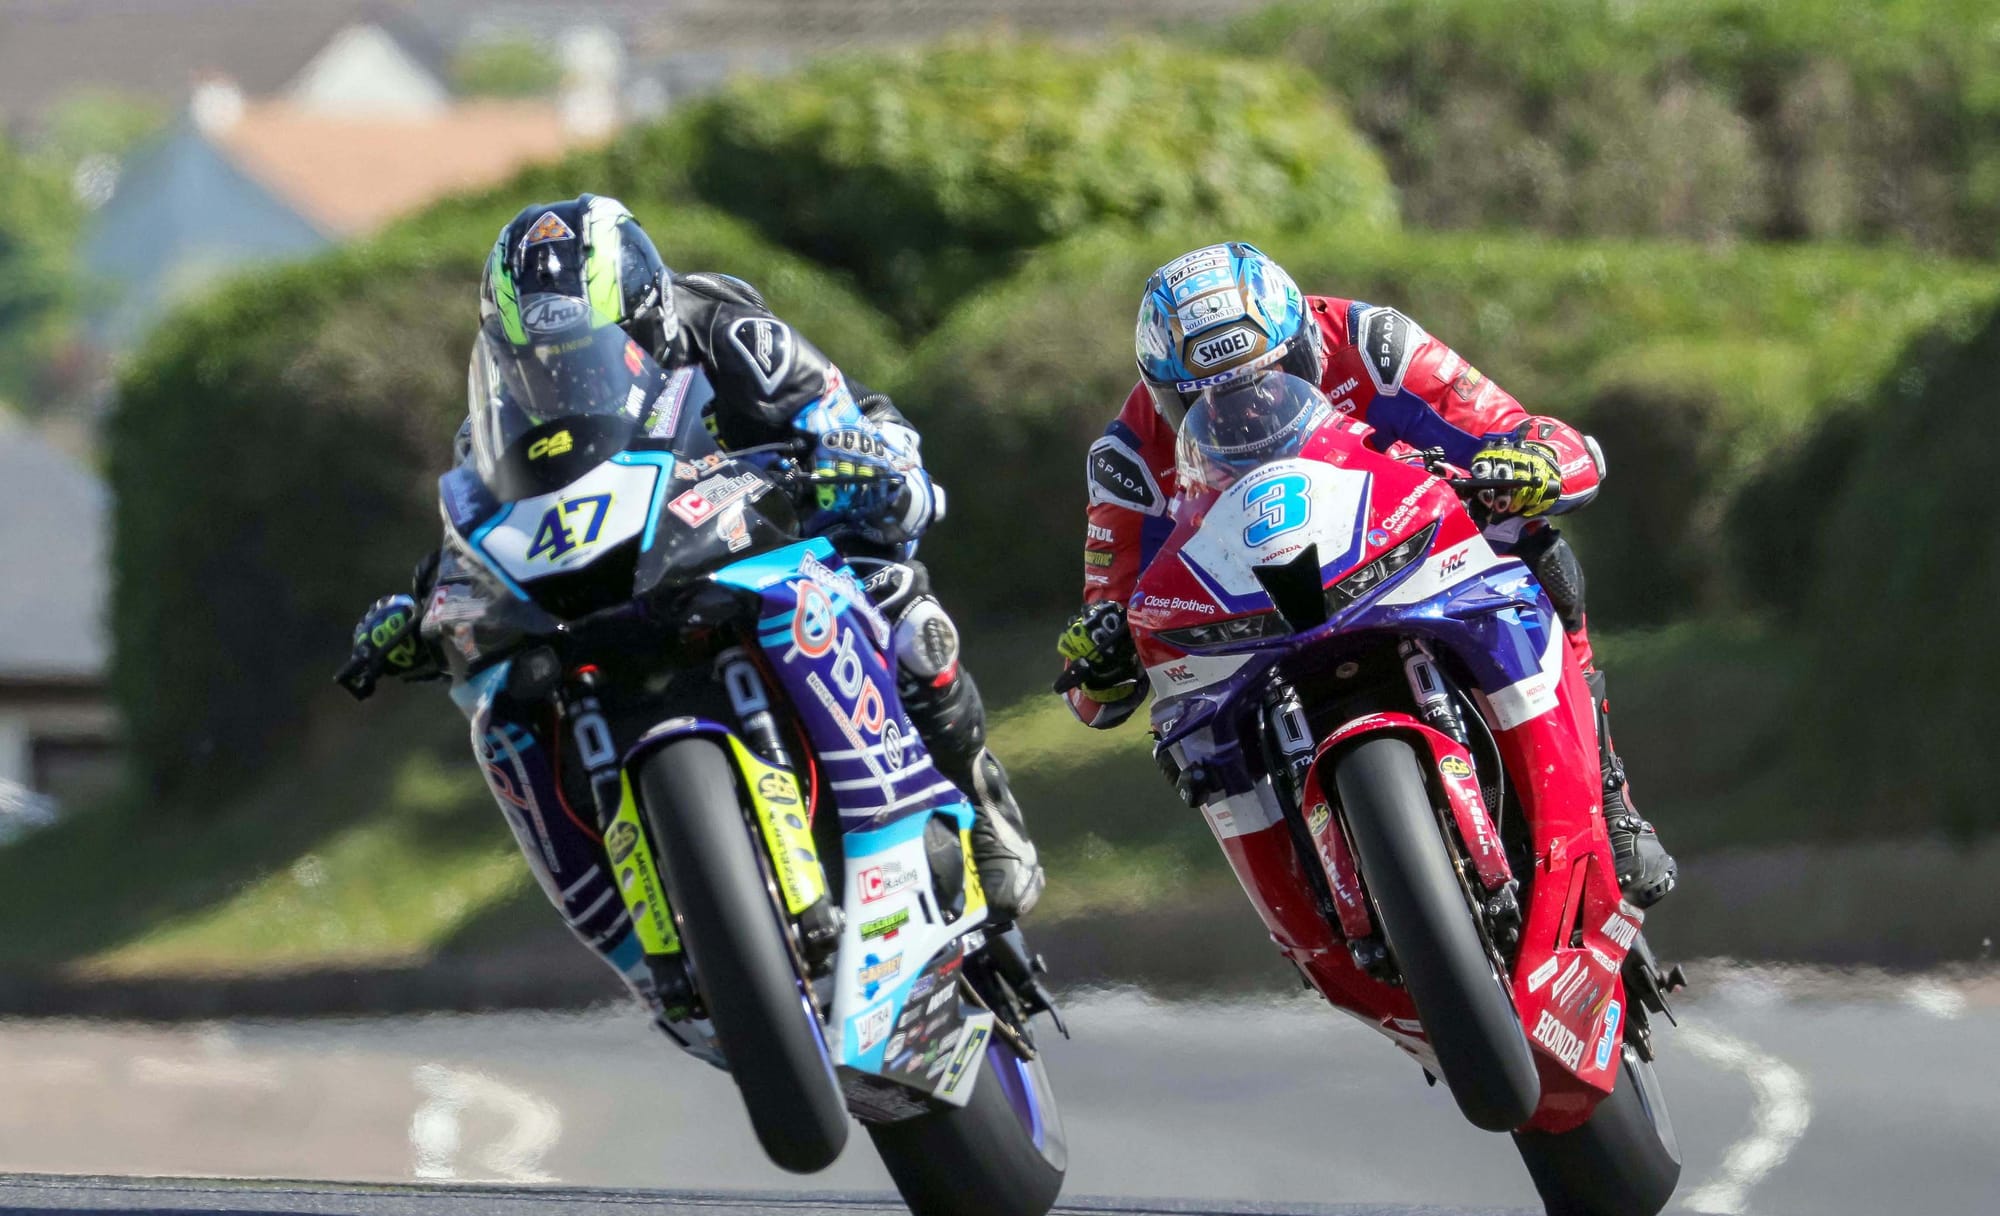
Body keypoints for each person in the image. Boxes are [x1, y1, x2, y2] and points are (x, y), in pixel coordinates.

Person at [336, 195, 1044, 1018]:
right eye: (536, 361)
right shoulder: (490, 430)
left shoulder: (730, 331)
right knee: (511, 703)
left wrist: (866, 462)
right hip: (619, 589)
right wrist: (426, 599)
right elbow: (480, 524)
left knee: (895, 598)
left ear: (644, 317)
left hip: (776, 528)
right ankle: (658, 942)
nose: (560, 376)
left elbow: (837, 413)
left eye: (584, 353)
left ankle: (980, 802)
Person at [1054, 241, 1675, 908]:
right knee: (1183, 728)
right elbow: (1107, 633)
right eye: (1208, 401)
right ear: (1163, 396)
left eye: (1272, 377)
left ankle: (1611, 796)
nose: (1248, 412)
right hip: (1251, 624)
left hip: (1396, 549)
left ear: (1300, 344)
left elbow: (1520, 429)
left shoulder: (1370, 342)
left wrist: (1537, 462)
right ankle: (1300, 896)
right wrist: (1102, 651)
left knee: (1527, 537)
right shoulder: (1129, 456)